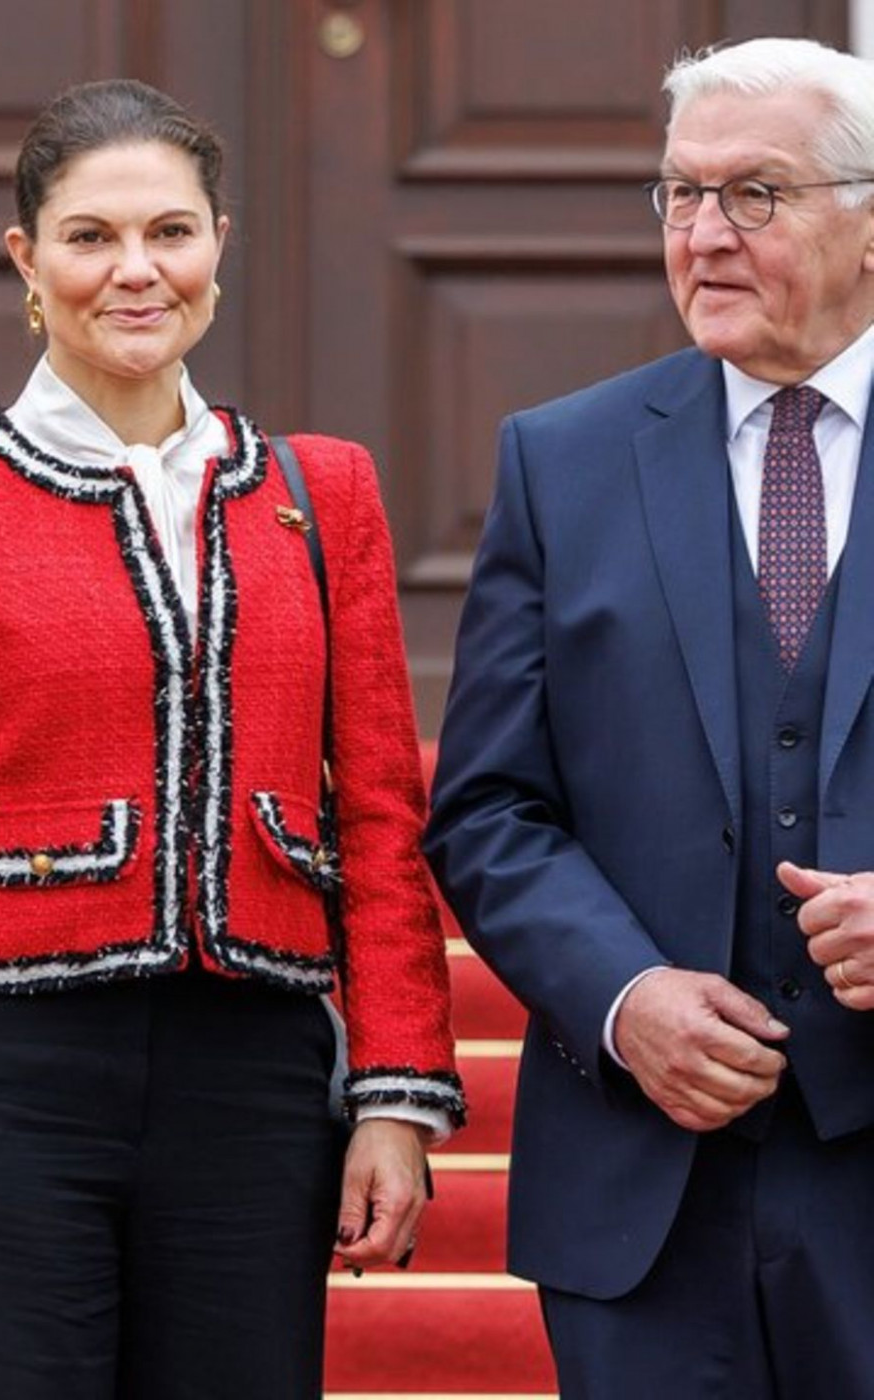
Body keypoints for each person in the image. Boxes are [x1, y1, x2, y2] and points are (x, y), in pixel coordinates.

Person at [0, 78, 463, 1400]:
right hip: (2, 1076)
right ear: (26, 259)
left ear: (219, 242)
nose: (135, 270)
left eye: (169, 231)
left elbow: (381, 814)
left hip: (255, 1074)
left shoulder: (323, 492)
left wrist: (396, 1095)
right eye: (90, 237)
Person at [424, 35, 874, 1399]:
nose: (704, 234)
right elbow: (489, 807)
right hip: (644, 1190)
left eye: (755, 194)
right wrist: (623, 1000)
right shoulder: (558, 460)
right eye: (681, 194)